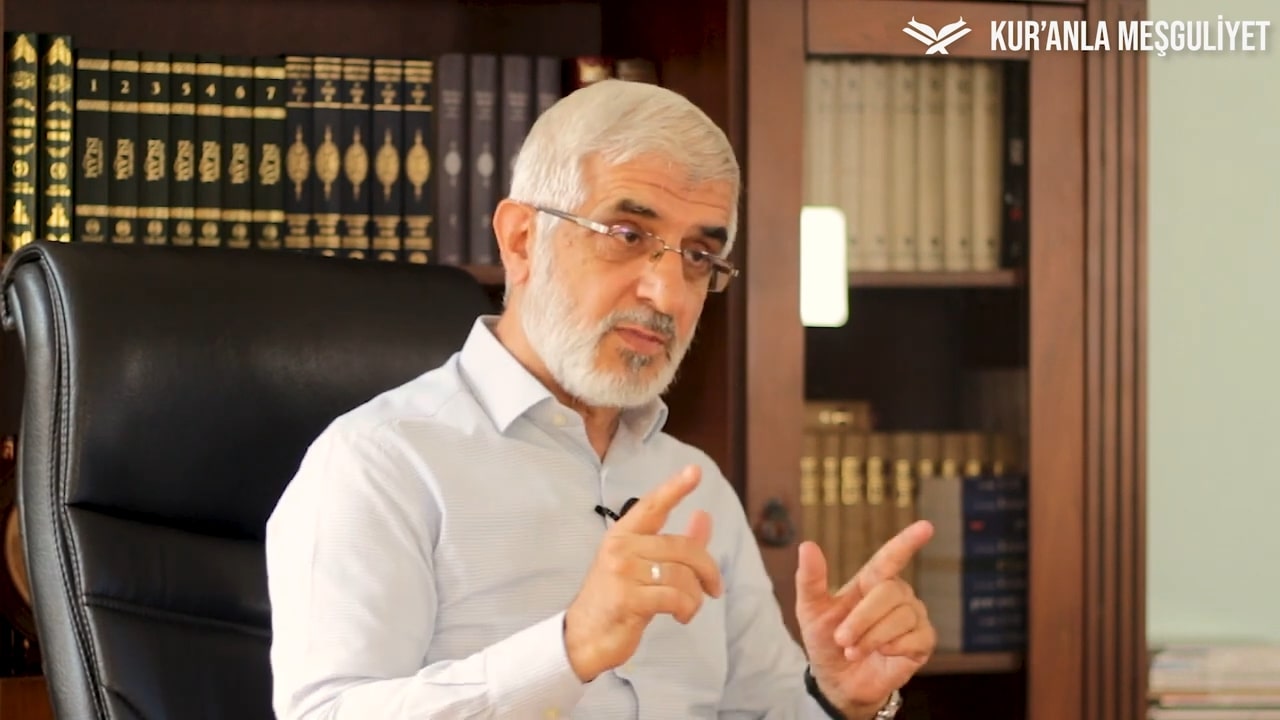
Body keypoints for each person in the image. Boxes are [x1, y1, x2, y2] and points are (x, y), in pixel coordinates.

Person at [264, 78, 937, 720]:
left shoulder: (696, 486)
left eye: (697, 256)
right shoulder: (381, 464)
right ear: (522, 240)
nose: (667, 293)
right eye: (628, 236)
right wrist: (568, 648)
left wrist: (836, 699)